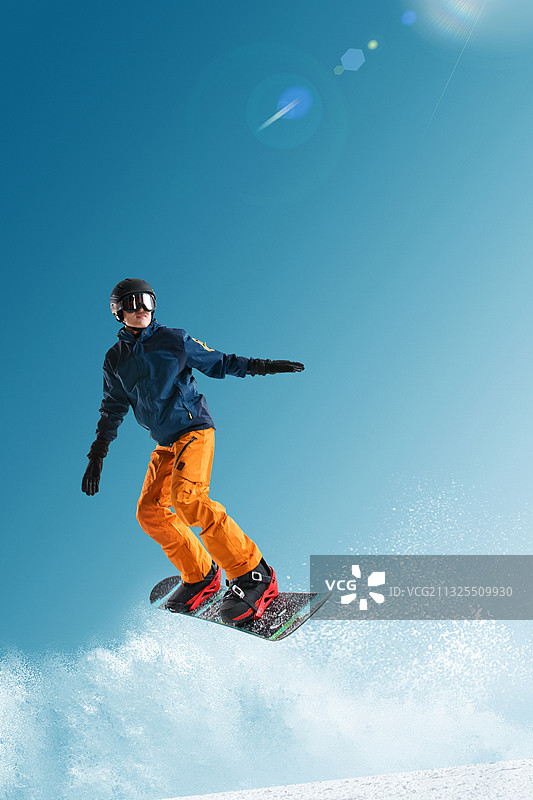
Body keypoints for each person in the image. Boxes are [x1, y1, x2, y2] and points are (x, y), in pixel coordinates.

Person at [82, 278, 304, 625]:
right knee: (149, 512)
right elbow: (112, 408)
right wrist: (97, 454)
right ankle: (201, 575)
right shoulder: (115, 360)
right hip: (166, 443)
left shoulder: (174, 339)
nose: (141, 309)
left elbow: (219, 362)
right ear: (118, 311)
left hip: (194, 430)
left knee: (188, 499)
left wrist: (262, 365)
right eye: (132, 303)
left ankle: (253, 574)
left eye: (147, 301)